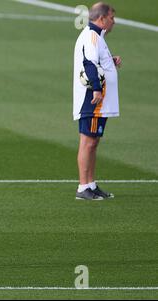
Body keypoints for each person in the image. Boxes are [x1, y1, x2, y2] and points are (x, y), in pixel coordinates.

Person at [73, 2, 121, 200]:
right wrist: (97, 89)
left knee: (94, 142)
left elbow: (96, 60)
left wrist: (111, 60)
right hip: (92, 99)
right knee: (88, 142)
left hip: (98, 100)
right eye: (111, 18)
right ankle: (83, 187)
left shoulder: (96, 36)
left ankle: (91, 184)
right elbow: (89, 63)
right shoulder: (91, 36)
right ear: (101, 19)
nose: (113, 22)